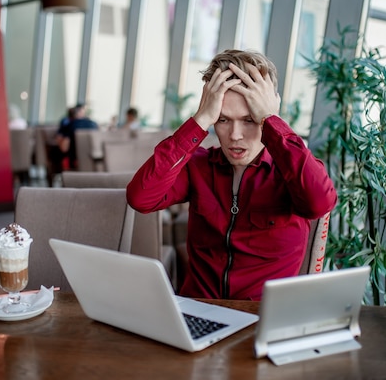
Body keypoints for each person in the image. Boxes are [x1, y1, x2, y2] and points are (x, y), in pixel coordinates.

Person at [126, 49, 337, 301]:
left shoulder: (291, 170)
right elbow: (141, 198)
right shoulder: (200, 166)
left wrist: (272, 120)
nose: (235, 135)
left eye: (249, 120)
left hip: (260, 320)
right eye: (223, 120)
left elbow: (320, 203)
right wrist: (200, 118)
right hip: (198, 311)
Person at [56, 103, 98, 170]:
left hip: (73, 162)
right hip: (94, 162)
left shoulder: (70, 125)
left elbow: (64, 148)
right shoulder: (94, 125)